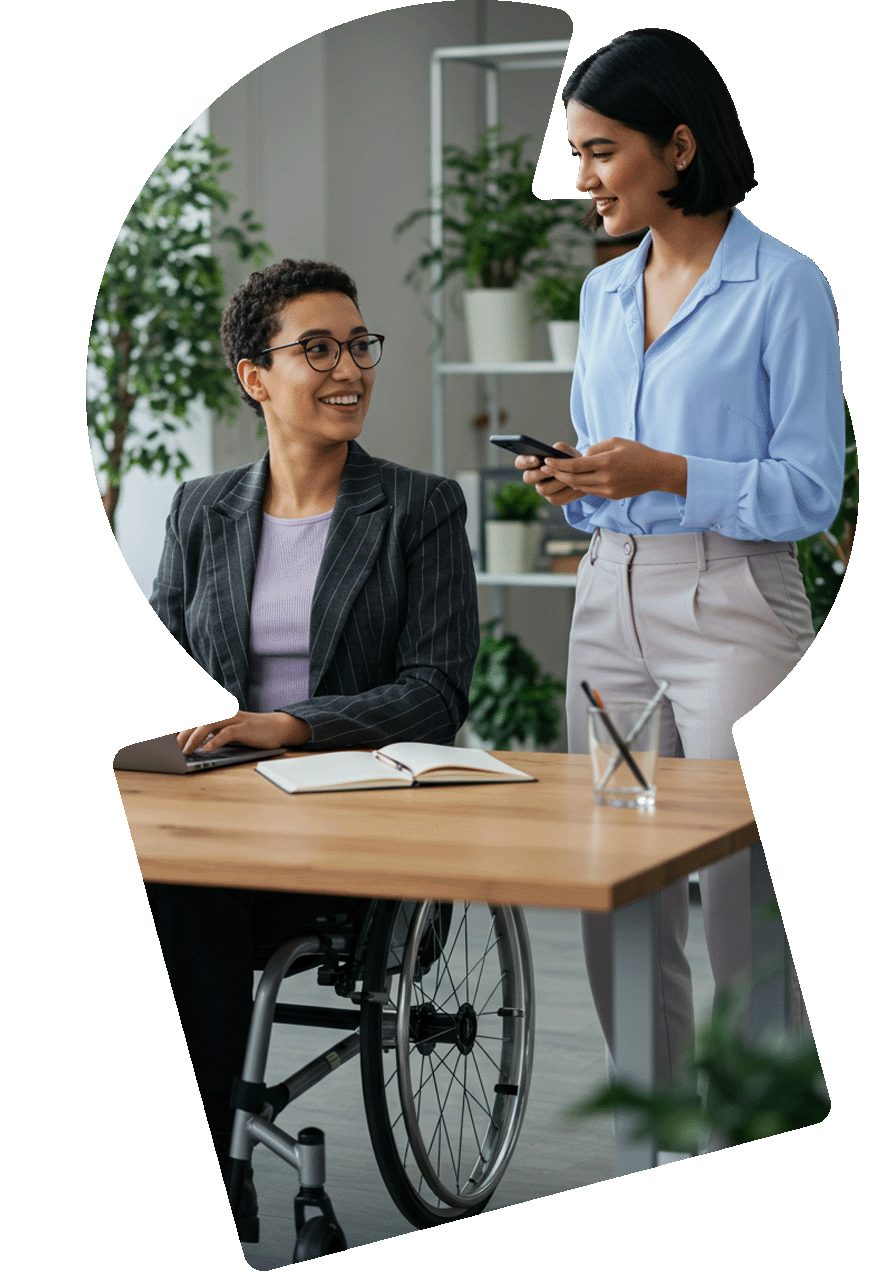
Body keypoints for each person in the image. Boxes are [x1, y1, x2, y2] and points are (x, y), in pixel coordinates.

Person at [515, 29, 844, 1098]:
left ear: (679, 143)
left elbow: (809, 490)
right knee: (618, 889)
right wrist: (574, 477)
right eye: (575, 152)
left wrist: (665, 469)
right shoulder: (604, 297)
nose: (581, 179)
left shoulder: (782, 286)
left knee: (744, 893)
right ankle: (647, 1142)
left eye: (601, 151)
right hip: (609, 604)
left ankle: (761, 1135)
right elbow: (604, 450)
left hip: (732, 610)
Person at [144, 259, 479, 1237]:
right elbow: (158, 665)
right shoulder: (198, 509)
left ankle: (205, 1172)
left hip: (351, 830)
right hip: (213, 809)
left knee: (180, 891)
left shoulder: (420, 508)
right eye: (318, 348)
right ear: (255, 376)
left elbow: (434, 688)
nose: (350, 367)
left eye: (359, 344)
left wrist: (289, 725)